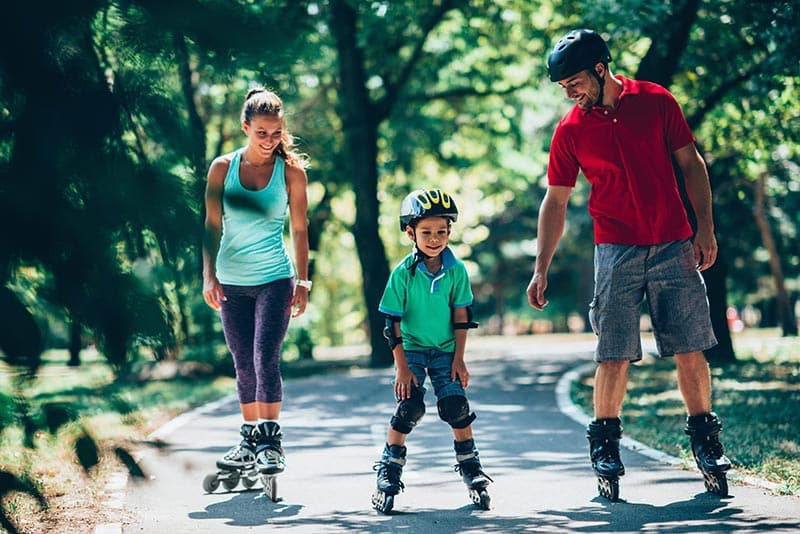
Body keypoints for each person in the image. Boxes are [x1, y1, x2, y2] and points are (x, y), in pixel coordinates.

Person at [526, 29, 731, 498]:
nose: (569, 92)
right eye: (562, 87)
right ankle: (605, 445)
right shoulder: (571, 130)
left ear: (601, 69)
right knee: (613, 352)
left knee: (689, 346)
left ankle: (705, 440)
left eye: (574, 81)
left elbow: (691, 164)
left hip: (673, 244)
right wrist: (541, 267)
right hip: (615, 249)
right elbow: (555, 202)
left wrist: (705, 229)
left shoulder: (656, 101)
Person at [202, 87, 311, 478]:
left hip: (274, 279)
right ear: (245, 127)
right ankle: (249, 437)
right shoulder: (222, 169)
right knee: (242, 363)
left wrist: (304, 281)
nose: (269, 141)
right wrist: (208, 276)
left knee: (265, 356)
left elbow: (299, 230)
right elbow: (211, 225)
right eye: (261, 133)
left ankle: (270, 438)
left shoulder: (291, 174)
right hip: (231, 281)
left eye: (275, 133)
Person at [371, 189, 492, 513]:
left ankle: (470, 467)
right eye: (426, 232)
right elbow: (392, 322)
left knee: (456, 406)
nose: (434, 238)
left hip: (446, 351)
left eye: (441, 231)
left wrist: (459, 359)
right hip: (410, 349)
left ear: (450, 231)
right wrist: (402, 368)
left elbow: (462, 318)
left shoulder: (456, 271)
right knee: (409, 407)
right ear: (410, 233)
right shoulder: (402, 274)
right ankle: (389, 468)